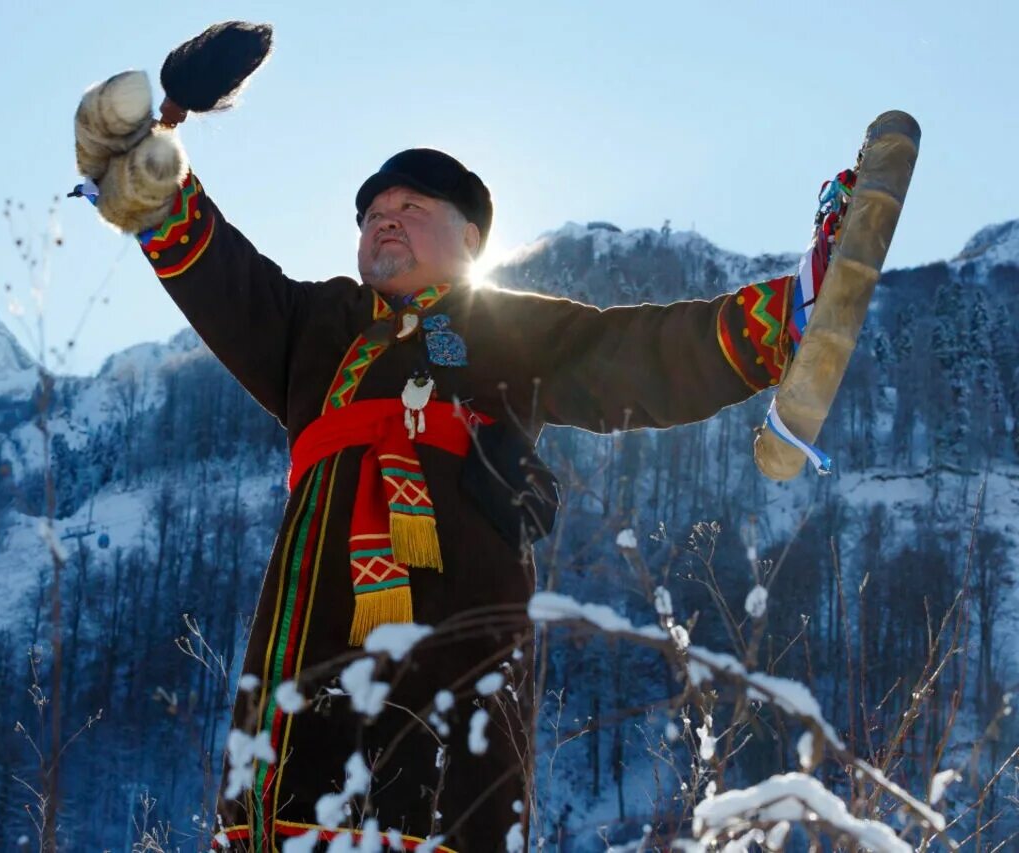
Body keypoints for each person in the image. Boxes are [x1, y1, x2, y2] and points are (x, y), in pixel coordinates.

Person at [75, 69, 804, 852]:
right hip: (309, 637)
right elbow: (228, 282)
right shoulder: (316, 325)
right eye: (374, 214)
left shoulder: (503, 327)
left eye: (412, 208)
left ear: (471, 240)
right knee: (286, 799)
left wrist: (785, 322)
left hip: (454, 626)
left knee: (441, 797)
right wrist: (156, 186)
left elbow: (636, 351)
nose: (386, 220)